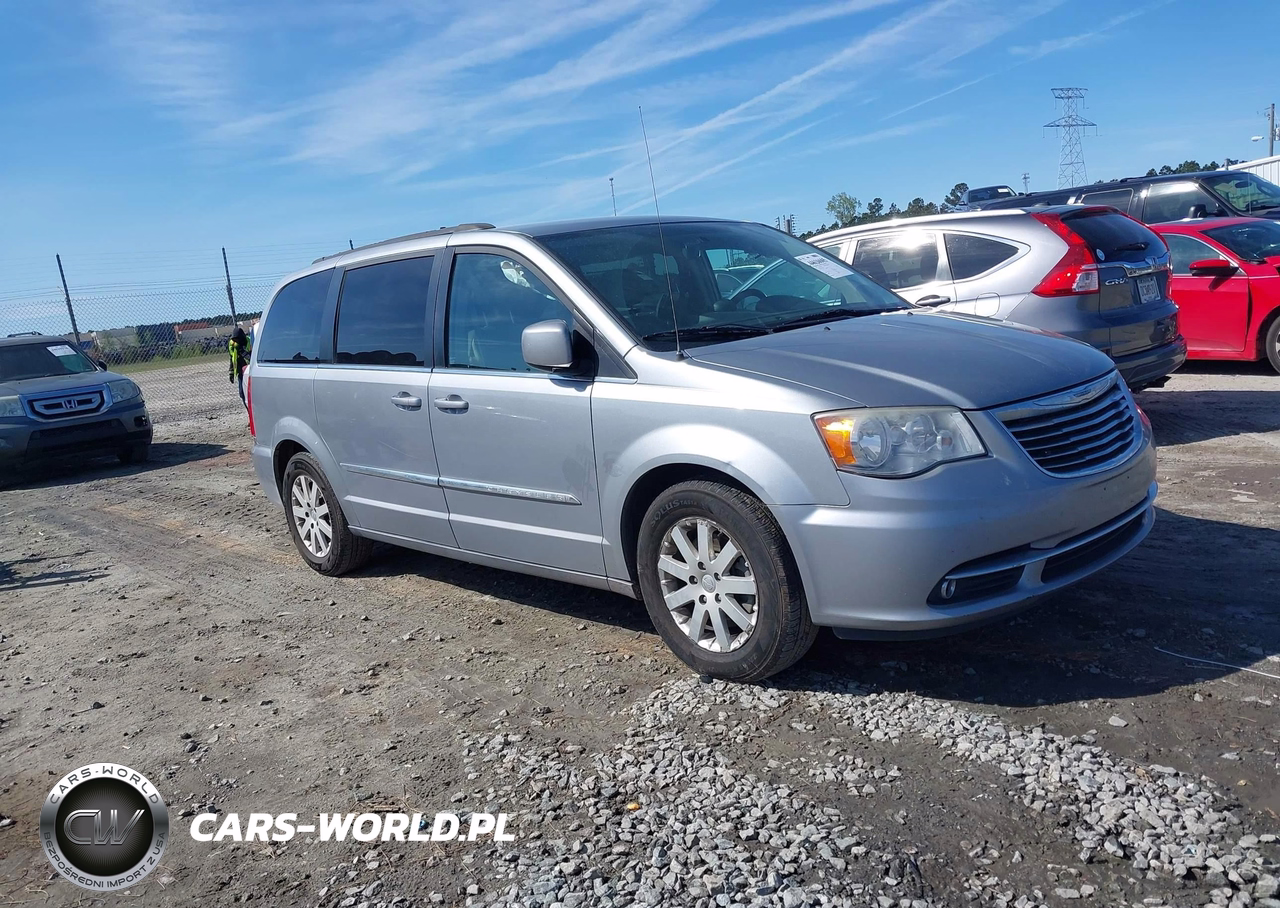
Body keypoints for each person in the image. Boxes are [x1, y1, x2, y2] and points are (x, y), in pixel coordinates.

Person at [228, 327, 251, 408]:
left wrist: (242, 351)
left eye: (237, 339)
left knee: (251, 394)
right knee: (242, 394)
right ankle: (249, 414)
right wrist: (231, 373)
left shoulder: (249, 342)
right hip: (241, 373)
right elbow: (232, 359)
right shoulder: (233, 346)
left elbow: (251, 358)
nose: (235, 341)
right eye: (234, 339)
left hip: (250, 372)